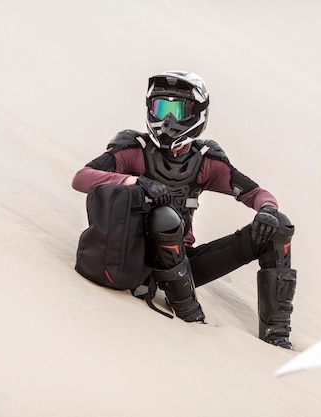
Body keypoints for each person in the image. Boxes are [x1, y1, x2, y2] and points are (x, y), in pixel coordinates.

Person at [72, 70, 296, 349]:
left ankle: (277, 337)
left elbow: (257, 193)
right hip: (138, 262)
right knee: (164, 217)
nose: (167, 119)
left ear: (196, 114)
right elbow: (82, 178)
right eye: (160, 107)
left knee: (278, 226)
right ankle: (189, 315)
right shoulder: (134, 149)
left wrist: (267, 210)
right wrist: (135, 181)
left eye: (177, 110)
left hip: (184, 264)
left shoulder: (205, 160)